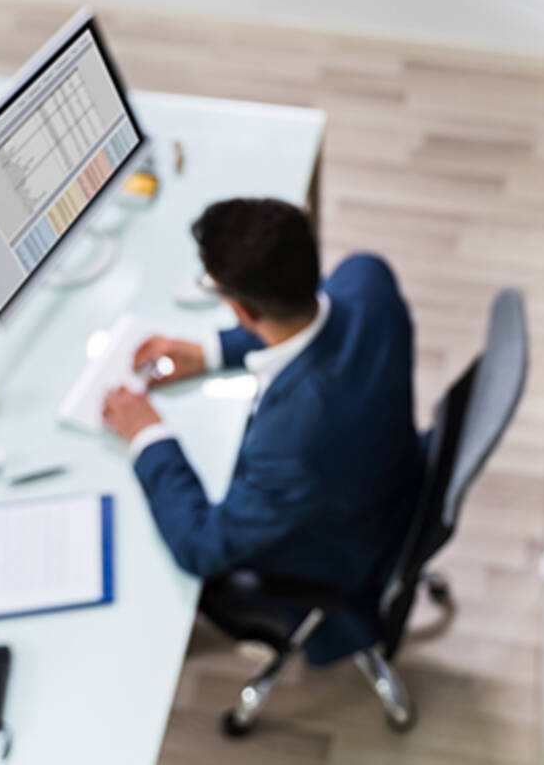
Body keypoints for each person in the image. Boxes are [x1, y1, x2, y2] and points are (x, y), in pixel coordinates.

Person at [102, 197, 422, 665]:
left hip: (340, 550)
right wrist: (209, 351)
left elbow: (201, 546)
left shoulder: (292, 442)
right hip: (391, 473)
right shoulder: (367, 277)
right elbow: (310, 315)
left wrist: (147, 434)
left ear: (242, 310)